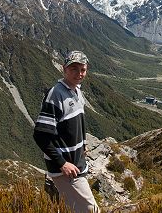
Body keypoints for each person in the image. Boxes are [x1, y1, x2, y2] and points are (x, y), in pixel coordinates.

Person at [33, 50, 100, 213]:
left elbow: (79, 122)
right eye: (74, 69)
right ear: (64, 69)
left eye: (83, 69)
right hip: (66, 169)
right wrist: (62, 163)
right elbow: (40, 135)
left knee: (76, 208)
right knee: (91, 210)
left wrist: (83, 144)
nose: (79, 74)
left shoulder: (76, 91)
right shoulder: (56, 95)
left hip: (76, 163)